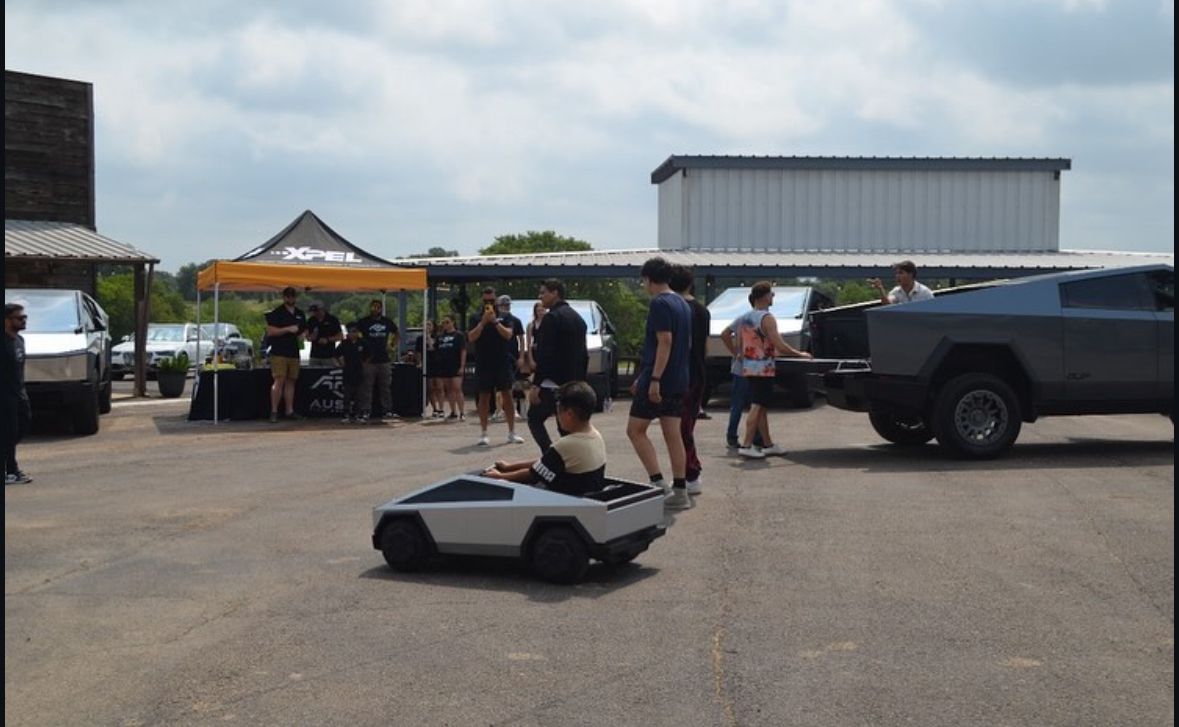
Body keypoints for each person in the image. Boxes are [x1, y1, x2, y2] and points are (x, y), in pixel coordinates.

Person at [627, 257, 693, 510]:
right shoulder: (682, 303)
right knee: (673, 434)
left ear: (648, 278)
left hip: (661, 379)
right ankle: (680, 490)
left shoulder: (660, 303)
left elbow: (664, 341)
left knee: (635, 430)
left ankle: (657, 484)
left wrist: (653, 379)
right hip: (679, 378)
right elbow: (682, 344)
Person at [721, 281, 813, 459]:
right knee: (757, 405)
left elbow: (728, 334)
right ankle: (747, 444)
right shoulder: (767, 318)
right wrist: (799, 354)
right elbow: (779, 344)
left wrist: (737, 353)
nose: (773, 297)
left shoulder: (746, 317)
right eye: (771, 294)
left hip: (749, 366)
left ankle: (768, 443)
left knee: (760, 405)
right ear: (764, 296)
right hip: (763, 367)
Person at [482, 381, 606, 497]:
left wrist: (501, 476)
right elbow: (545, 463)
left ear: (569, 414)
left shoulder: (567, 445)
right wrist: (509, 467)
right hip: (590, 494)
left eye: (558, 410)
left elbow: (533, 475)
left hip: (566, 500)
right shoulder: (595, 435)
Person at [527, 279, 587, 452]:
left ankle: (551, 455)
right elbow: (584, 355)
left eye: (543, 292)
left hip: (552, 383)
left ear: (555, 293)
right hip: (574, 382)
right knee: (567, 425)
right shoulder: (578, 318)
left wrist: (536, 384)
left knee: (534, 418)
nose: (540, 297)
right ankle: (573, 457)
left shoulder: (551, 318)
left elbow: (545, 355)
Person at [669, 265, 710, 497]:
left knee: (680, 428)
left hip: (679, 374)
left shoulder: (674, 308)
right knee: (685, 426)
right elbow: (702, 346)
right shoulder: (702, 310)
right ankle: (685, 473)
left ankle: (690, 473)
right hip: (698, 372)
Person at [468, 286, 524, 446]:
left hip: (502, 361)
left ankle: (512, 432)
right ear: (482, 300)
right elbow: (471, 337)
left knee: (507, 395)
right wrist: (483, 323)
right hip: (483, 362)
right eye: (486, 301)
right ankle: (484, 432)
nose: (489, 303)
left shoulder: (506, 317)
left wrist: (494, 322)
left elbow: (508, 335)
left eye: (491, 300)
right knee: (484, 397)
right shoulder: (475, 317)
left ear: (496, 300)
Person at [264, 286, 307, 423]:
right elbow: (270, 331)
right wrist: (288, 329)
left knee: (291, 381)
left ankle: (289, 410)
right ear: (284, 297)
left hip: (294, 351)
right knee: (279, 380)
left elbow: (304, 330)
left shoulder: (300, 313)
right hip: (279, 352)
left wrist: (304, 334)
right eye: (288, 296)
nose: (291, 298)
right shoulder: (276, 313)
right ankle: (274, 411)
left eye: (293, 296)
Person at [3, 303, 33, 484]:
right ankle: (11, 471)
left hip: (19, 393)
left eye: (25, 317)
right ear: (7, 320)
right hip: (4, 396)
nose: (23, 321)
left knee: (22, 426)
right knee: (8, 432)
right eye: (19, 318)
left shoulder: (19, 340)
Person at [357, 299, 399, 423]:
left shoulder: (387, 321)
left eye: (378, 307)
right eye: (373, 307)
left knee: (385, 386)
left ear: (381, 308)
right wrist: (361, 348)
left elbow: (397, 333)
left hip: (384, 359)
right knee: (367, 387)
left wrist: (392, 345)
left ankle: (387, 410)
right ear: (370, 308)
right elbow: (356, 334)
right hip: (369, 359)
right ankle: (365, 411)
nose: (375, 309)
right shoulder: (364, 322)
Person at [434, 316, 466, 420]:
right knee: (449, 390)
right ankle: (453, 412)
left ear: (453, 322)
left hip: (455, 365)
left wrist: (462, 366)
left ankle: (462, 412)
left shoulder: (459, 335)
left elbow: (463, 351)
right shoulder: (440, 336)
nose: (445, 324)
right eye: (443, 322)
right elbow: (435, 349)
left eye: (447, 322)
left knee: (457, 388)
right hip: (444, 366)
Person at [333, 323, 365, 423]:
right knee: (347, 395)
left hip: (359, 372)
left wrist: (365, 364)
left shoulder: (362, 342)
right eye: (352, 331)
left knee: (359, 396)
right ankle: (346, 415)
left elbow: (369, 354)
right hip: (347, 372)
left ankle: (358, 415)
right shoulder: (344, 343)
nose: (353, 333)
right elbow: (335, 355)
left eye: (355, 331)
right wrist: (339, 364)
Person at [869, 260, 934, 305]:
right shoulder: (895, 292)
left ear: (910, 274)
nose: (897, 276)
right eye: (896, 273)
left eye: (901, 273)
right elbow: (887, 305)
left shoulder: (925, 293)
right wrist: (881, 289)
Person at [416, 320, 445, 417]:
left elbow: (432, 347)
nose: (427, 326)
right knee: (430, 388)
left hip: (437, 363)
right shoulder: (420, 339)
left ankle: (441, 409)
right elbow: (419, 352)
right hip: (427, 364)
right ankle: (435, 409)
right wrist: (420, 362)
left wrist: (428, 337)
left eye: (429, 324)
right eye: (425, 325)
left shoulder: (438, 337)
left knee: (439, 387)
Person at [305, 301, 343, 367]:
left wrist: (327, 340)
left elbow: (340, 336)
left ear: (322, 309)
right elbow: (308, 337)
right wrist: (313, 336)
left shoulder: (332, 320)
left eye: (316, 311)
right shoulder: (311, 320)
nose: (315, 313)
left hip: (329, 356)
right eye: (313, 311)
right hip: (315, 356)